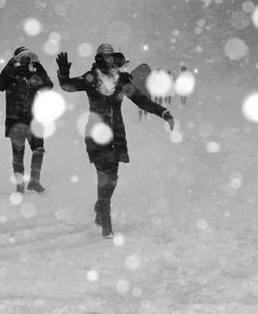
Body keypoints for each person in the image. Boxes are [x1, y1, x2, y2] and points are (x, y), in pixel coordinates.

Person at [56, 44, 175, 238]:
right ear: (99, 58)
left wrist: (164, 113)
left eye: (111, 56)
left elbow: (141, 100)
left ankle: (100, 207)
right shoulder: (91, 78)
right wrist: (63, 72)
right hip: (95, 134)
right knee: (104, 176)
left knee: (112, 179)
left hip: (116, 136)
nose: (108, 59)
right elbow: (67, 86)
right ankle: (106, 223)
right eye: (105, 56)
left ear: (115, 58)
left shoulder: (122, 82)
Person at [0, 47, 53, 194]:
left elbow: (48, 86)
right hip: (15, 120)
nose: (25, 60)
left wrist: (38, 65)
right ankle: (19, 186)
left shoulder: (33, 75)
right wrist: (11, 64)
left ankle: (34, 181)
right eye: (22, 57)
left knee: (38, 149)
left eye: (28, 57)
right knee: (18, 154)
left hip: (33, 119)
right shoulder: (10, 74)